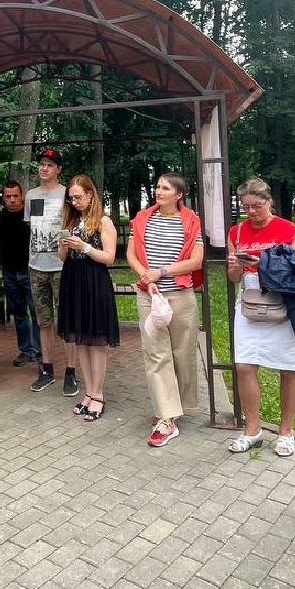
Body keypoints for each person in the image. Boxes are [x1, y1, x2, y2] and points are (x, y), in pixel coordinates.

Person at [225, 178, 295, 457]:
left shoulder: (287, 229)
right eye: (246, 207)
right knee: (244, 366)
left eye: (257, 206)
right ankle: (252, 429)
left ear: (269, 202)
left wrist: (262, 262)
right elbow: (233, 277)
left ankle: (286, 431)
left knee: (289, 368)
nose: (251, 212)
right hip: (251, 301)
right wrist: (236, 266)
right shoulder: (237, 232)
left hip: (284, 300)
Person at [127, 173, 206, 448]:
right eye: (157, 186)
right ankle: (166, 416)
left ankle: (174, 407)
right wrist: (146, 278)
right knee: (156, 354)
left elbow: (196, 261)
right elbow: (131, 254)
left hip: (180, 295)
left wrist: (161, 272)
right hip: (149, 295)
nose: (158, 191)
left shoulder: (191, 221)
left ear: (179, 194)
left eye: (165, 188)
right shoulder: (143, 218)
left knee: (182, 354)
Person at [56, 175, 120, 420]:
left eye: (78, 197)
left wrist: (84, 247)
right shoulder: (71, 221)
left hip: (94, 282)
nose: (74, 202)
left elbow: (109, 257)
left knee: (97, 341)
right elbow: (62, 258)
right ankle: (89, 392)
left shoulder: (103, 221)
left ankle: (99, 395)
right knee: (80, 340)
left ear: (90, 194)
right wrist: (64, 245)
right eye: (71, 199)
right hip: (72, 281)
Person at [26, 148, 78, 396]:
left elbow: (74, 225)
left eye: (49, 164)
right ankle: (46, 369)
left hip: (61, 266)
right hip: (36, 266)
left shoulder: (67, 194)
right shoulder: (31, 195)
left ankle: (71, 372)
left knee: (66, 320)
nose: (44, 168)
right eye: (41, 164)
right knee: (43, 321)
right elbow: (32, 227)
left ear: (59, 169)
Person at [0, 180, 41, 366]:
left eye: (15, 196)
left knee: (36, 312)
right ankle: (26, 350)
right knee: (19, 313)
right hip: (10, 272)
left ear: (22, 196)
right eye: (8, 196)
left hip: (31, 271)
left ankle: (40, 351)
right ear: (3, 198)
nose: (12, 200)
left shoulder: (31, 216)